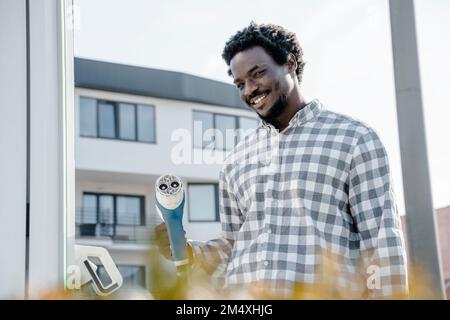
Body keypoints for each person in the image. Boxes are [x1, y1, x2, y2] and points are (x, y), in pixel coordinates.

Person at [155, 22, 408, 299]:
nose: (249, 90)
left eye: (257, 74)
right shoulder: (235, 160)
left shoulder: (355, 139)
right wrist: (190, 252)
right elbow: (232, 244)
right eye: (240, 83)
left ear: (289, 63)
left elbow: (382, 246)